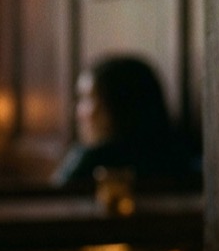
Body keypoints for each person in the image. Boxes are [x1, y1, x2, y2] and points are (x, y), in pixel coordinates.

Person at [53, 54, 192, 188]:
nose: (77, 112)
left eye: (87, 98)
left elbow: (55, 202)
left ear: (118, 107)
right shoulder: (179, 156)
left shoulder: (92, 161)